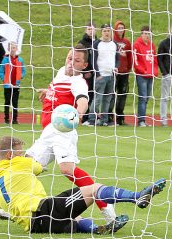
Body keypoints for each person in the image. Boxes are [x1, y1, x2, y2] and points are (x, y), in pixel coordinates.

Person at [27, 44, 124, 229]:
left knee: (67, 170)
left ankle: (104, 204)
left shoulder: (79, 82)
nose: (71, 62)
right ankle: (18, 209)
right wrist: (47, 93)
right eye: (70, 58)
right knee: (25, 166)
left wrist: (79, 114)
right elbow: (58, 91)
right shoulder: (61, 71)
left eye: (77, 60)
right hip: (48, 131)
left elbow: (82, 101)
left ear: (84, 65)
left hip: (62, 131)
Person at [0, 136, 166, 234]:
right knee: (93, 189)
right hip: (44, 211)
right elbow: (38, 166)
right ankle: (137, 197)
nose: (23, 155)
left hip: (36, 226)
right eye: (20, 153)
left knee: (74, 217)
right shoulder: (20, 163)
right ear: (10, 155)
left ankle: (97, 229)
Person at [88, 23, 120, 127]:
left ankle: (104, 120)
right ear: (101, 32)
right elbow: (93, 60)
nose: (106, 33)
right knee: (98, 99)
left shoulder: (115, 44)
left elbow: (117, 58)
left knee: (108, 99)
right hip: (101, 76)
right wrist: (97, 74)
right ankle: (92, 119)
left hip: (111, 75)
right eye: (104, 31)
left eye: (108, 31)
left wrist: (116, 67)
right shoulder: (97, 44)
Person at [133, 25, 158, 127]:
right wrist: (143, 71)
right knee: (143, 97)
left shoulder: (152, 45)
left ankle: (142, 118)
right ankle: (141, 120)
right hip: (142, 75)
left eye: (149, 33)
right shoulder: (136, 45)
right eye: (145, 33)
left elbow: (155, 60)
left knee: (147, 97)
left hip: (150, 75)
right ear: (141, 34)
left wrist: (155, 71)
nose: (147, 35)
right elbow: (135, 61)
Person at [0, 42, 26, 124]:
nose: (12, 50)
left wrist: (21, 76)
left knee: (15, 102)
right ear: (8, 49)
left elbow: (23, 70)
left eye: (14, 48)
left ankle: (15, 119)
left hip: (16, 85)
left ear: (16, 49)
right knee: (7, 102)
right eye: (11, 48)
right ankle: (6, 119)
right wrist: (4, 79)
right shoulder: (5, 59)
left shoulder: (20, 60)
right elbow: (1, 71)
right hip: (7, 85)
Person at [113, 21, 132, 126]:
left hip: (124, 73)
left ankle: (120, 119)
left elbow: (130, 57)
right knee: (111, 95)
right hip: (114, 72)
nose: (120, 30)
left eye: (122, 28)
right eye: (119, 28)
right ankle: (109, 118)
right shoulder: (112, 41)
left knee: (122, 95)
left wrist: (128, 68)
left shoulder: (127, 42)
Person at [78, 22, 97, 125]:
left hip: (97, 73)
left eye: (92, 29)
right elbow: (81, 58)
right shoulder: (82, 43)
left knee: (95, 95)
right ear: (86, 30)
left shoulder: (97, 42)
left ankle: (92, 117)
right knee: (86, 94)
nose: (91, 31)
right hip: (87, 73)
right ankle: (84, 118)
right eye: (89, 29)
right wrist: (85, 71)